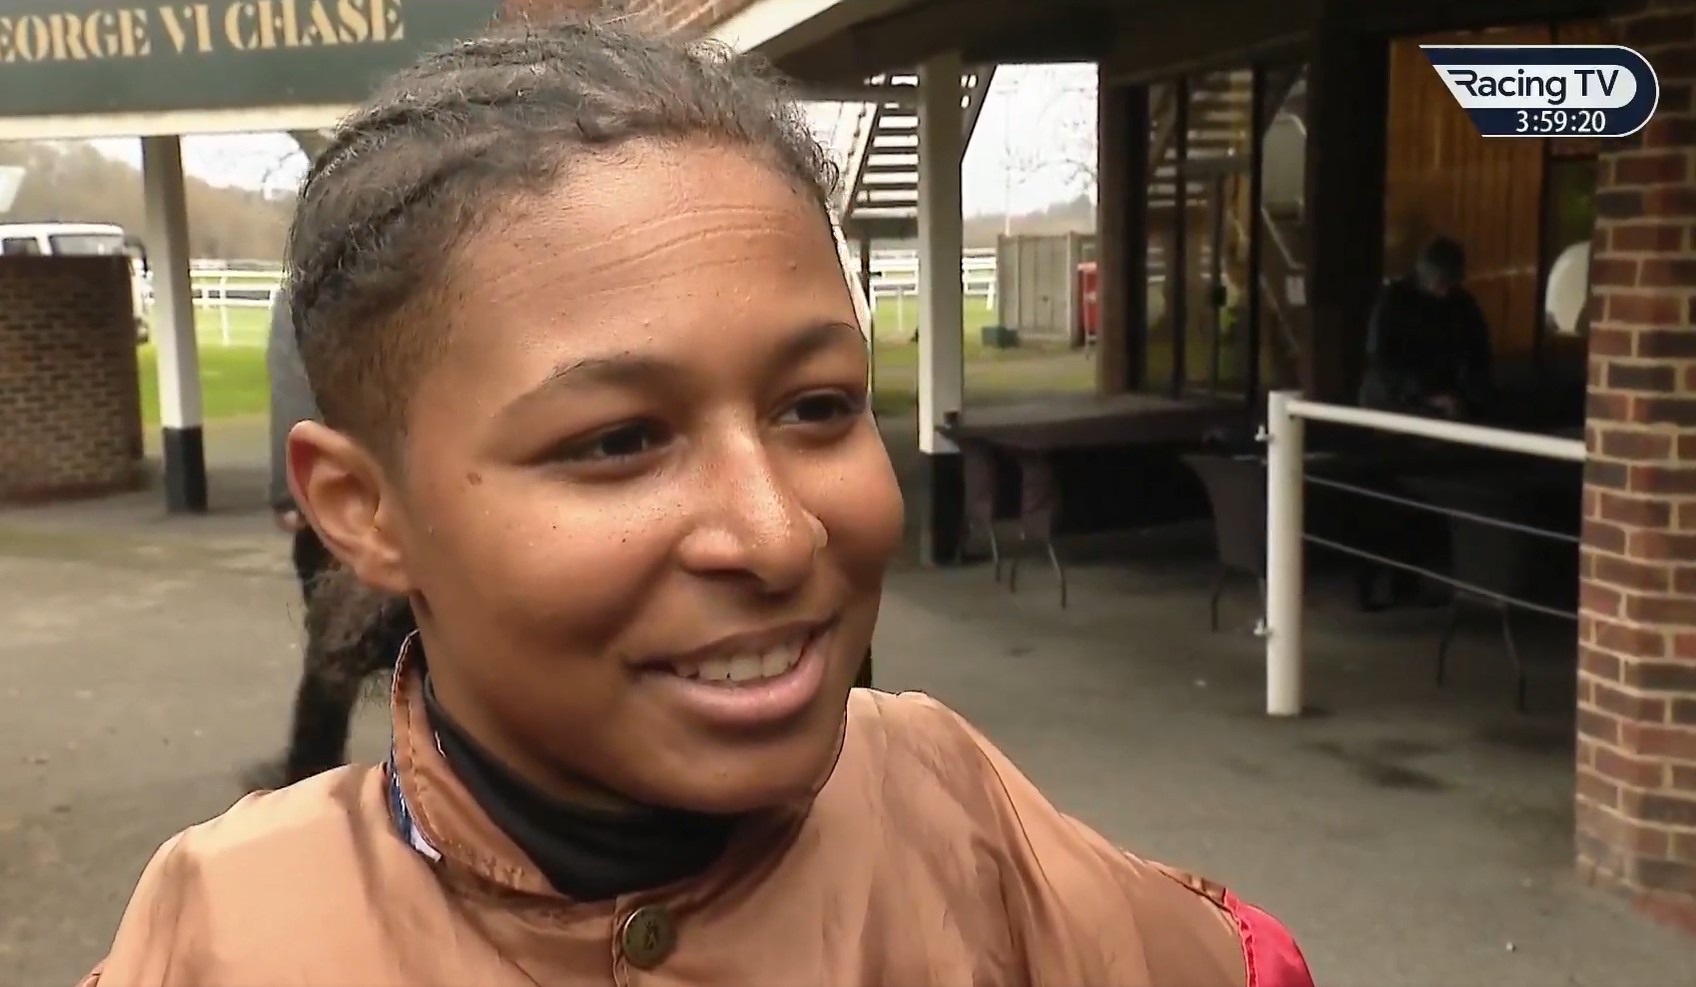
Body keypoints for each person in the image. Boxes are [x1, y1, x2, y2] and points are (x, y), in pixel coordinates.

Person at [82, 12, 1311, 986]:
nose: (779, 532)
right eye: (619, 439)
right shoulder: (224, 935)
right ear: (362, 509)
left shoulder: (958, 807)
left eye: (818, 407)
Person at [257, 290, 415, 789]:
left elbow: (292, 386)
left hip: (353, 497)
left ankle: (313, 772)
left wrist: (290, 495)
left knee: (340, 649)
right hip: (395, 488)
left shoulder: (307, 293)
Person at [1359, 235, 1494, 421]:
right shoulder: (1394, 301)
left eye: (1450, 284)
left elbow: (1478, 356)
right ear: (1424, 275)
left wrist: (1465, 398)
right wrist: (1426, 395)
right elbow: (1381, 360)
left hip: (1447, 394)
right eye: (1440, 283)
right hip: (1400, 394)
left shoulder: (1462, 304)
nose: (1445, 292)